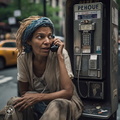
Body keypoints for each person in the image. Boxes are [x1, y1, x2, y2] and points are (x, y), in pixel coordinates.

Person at [1, 16, 83, 120]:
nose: (47, 41)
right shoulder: (23, 57)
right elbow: (24, 92)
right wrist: (37, 101)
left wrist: (60, 57)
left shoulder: (60, 54)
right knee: (13, 103)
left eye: (50, 36)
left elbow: (68, 92)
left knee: (55, 105)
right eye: (40, 37)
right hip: (37, 104)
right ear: (28, 41)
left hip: (64, 103)